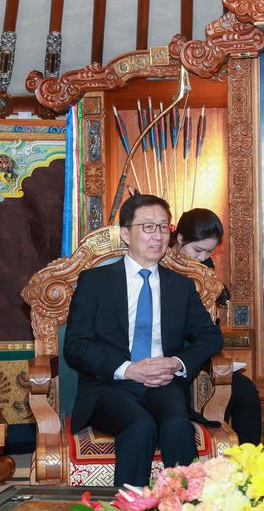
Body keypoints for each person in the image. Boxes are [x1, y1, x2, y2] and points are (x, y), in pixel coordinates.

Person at [63, 194, 223, 487]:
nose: (158, 236)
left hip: (164, 384)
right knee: (140, 425)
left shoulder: (180, 286)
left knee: (177, 425)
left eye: (163, 227)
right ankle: (128, 507)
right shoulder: (95, 282)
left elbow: (210, 337)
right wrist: (128, 369)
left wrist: (176, 363)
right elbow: (76, 345)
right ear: (126, 233)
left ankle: (186, 507)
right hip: (110, 386)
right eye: (148, 227)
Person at [171, 208, 262, 445]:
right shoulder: (161, 267)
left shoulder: (205, 271)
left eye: (209, 251)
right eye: (197, 250)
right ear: (179, 238)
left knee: (245, 391)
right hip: (169, 356)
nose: (202, 257)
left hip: (200, 354)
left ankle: (246, 460)